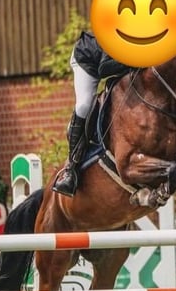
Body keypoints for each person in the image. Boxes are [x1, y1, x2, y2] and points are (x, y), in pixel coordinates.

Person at [52, 31, 136, 196]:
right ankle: (71, 170)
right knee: (84, 105)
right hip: (87, 59)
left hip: (112, 63)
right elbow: (105, 68)